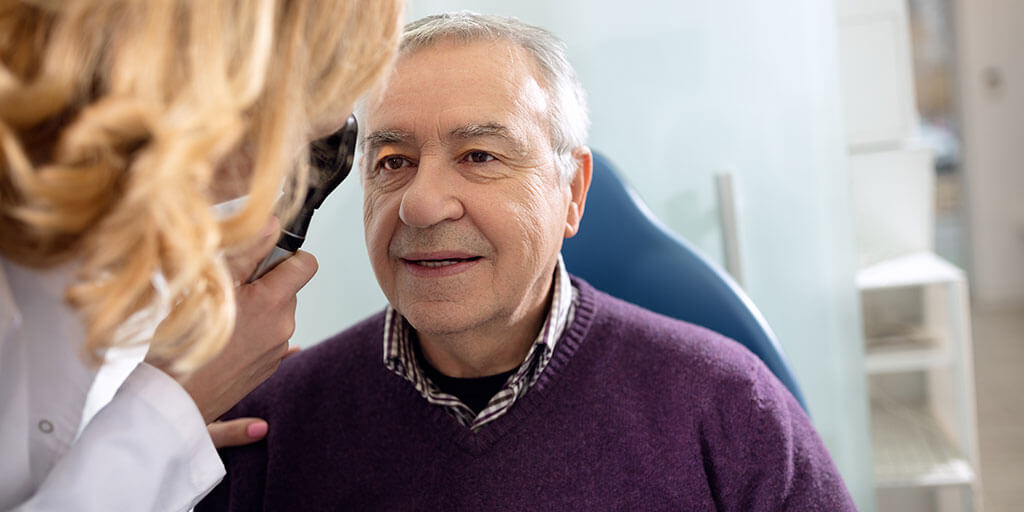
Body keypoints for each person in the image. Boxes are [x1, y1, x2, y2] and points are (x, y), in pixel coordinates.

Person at [201, 12, 858, 511]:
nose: (422, 206)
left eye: (479, 156)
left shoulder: (730, 411)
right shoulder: (264, 428)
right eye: (393, 163)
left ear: (571, 193)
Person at [0, 1, 401, 510]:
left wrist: (148, 443)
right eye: (298, 131)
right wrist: (167, 413)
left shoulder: (128, 247)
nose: (282, 173)